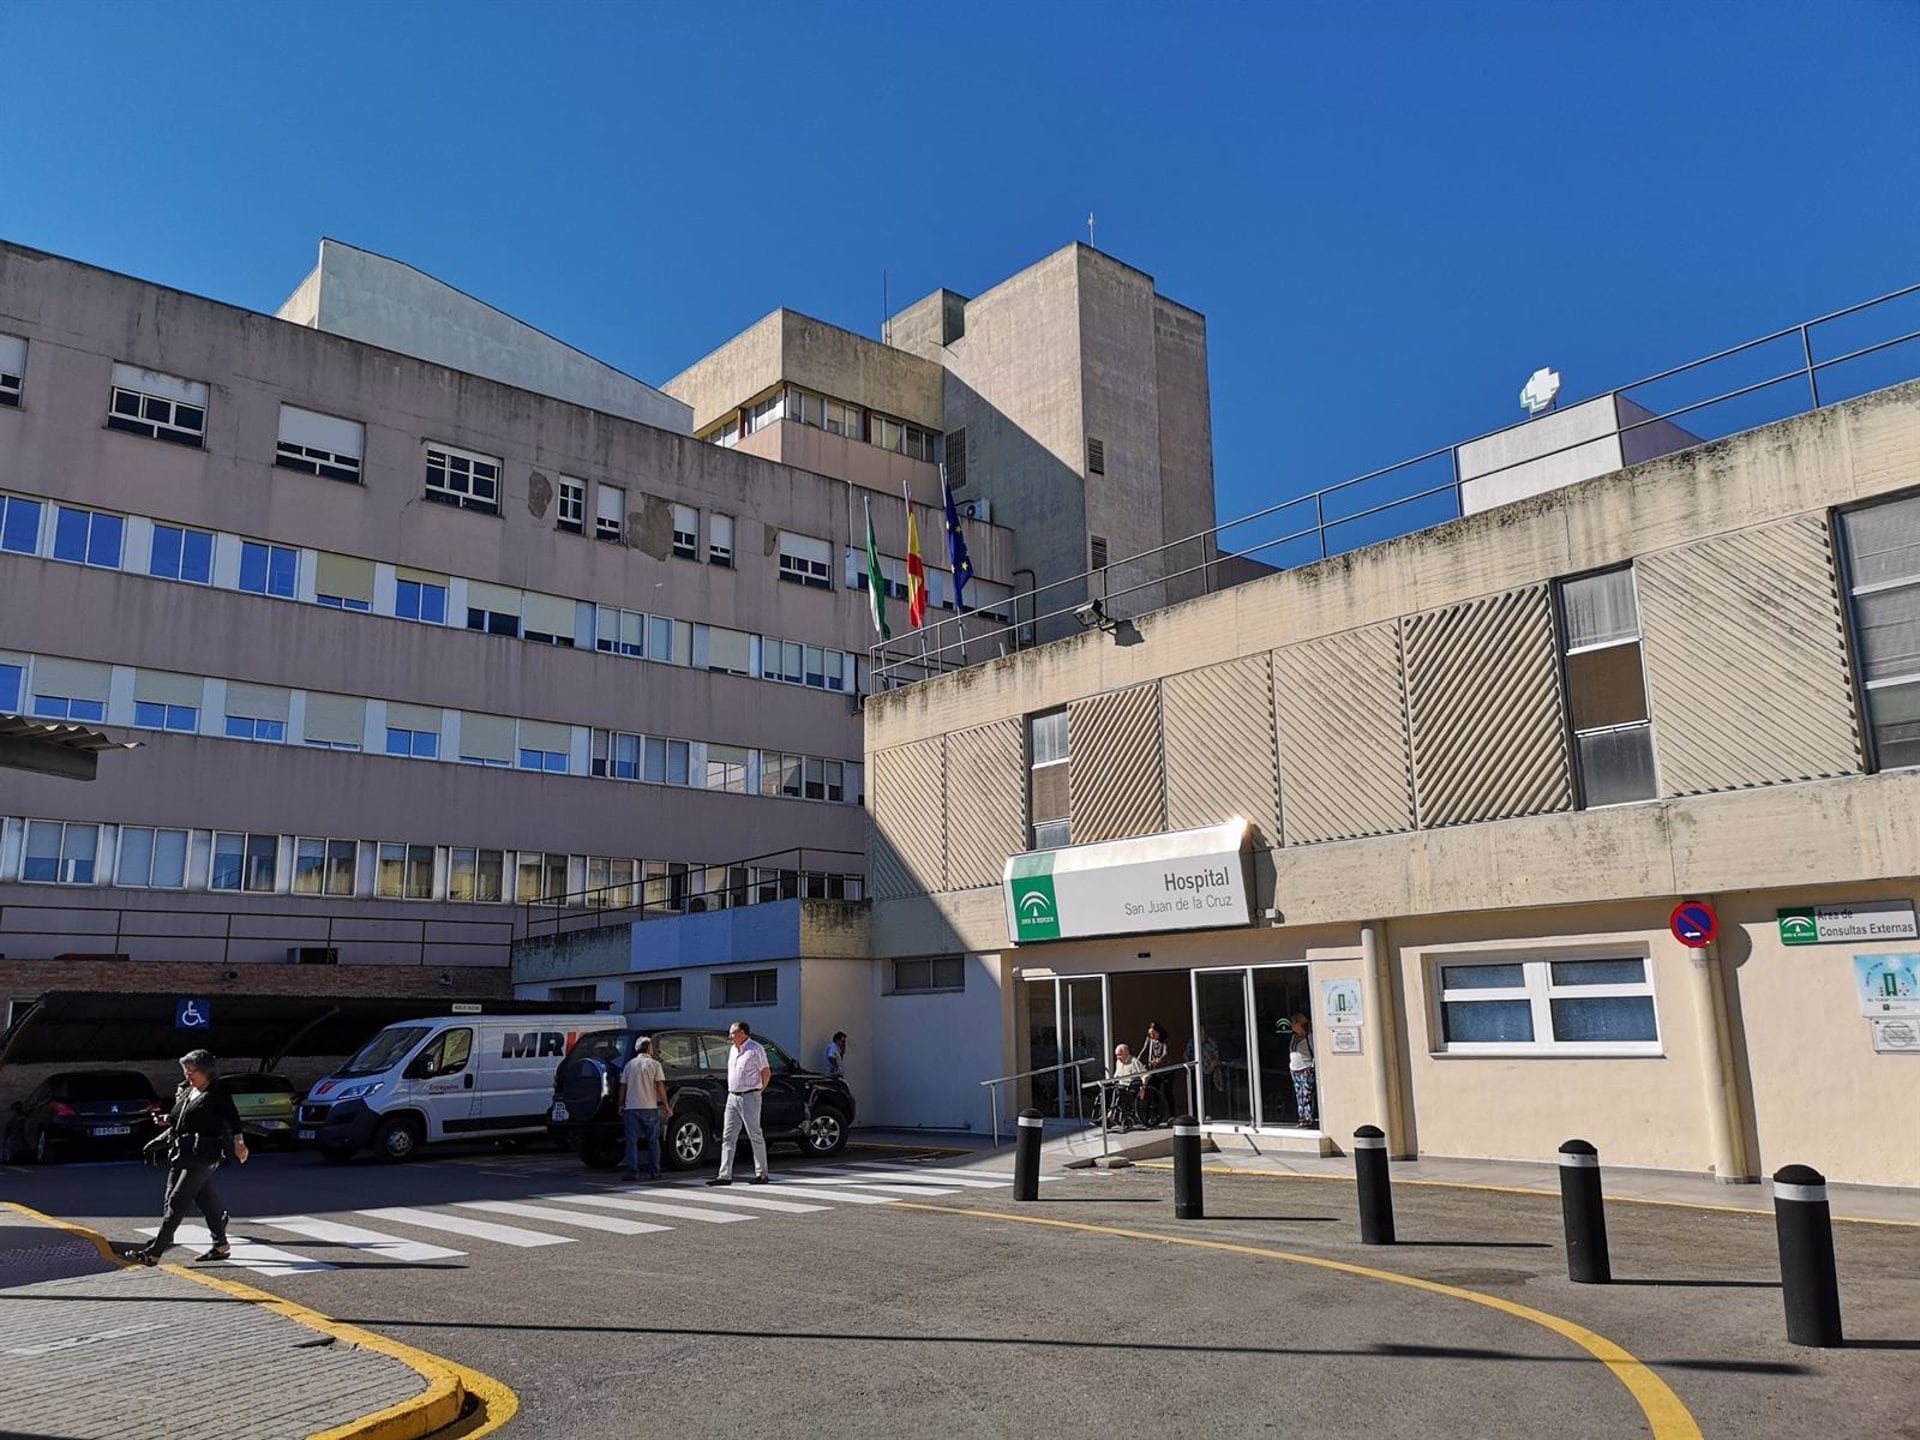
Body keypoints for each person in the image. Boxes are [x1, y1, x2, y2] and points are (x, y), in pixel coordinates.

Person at [126, 1049, 249, 1265]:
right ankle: (220, 1244)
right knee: (203, 1199)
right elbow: (181, 1120)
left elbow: (233, 1118)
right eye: (185, 1070)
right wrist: (165, 1123)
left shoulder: (217, 1094)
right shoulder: (188, 1091)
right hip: (183, 1152)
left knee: (177, 1200)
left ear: (206, 1072)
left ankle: (155, 1252)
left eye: (191, 1071)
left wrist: (239, 1143)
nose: (187, 1075)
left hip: (204, 1154)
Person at [707, 1020, 771, 1186]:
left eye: (733, 1033)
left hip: (750, 1095)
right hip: (732, 1096)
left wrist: (758, 1091)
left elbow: (766, 1072)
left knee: (754, 1134)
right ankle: (724, 1175)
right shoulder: (733, 1050)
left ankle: (762, 1174)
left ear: (743, 1033)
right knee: (728, 1136)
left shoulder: (755, 1049)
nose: (730, 1036)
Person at [619, 1035, 671, 1182]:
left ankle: (632, 1172)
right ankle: (655, 1171)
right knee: (653, 1141)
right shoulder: (655, 1065)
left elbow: (623, 1086)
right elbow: (660, 1086)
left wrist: (621, 1104)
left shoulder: (629, 1065)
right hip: (650, 1107)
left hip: (632, 1108)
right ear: (648, 1048)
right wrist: (666, 1105)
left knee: (631, 1141)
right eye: (652, 1047)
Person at [1139, 1021, 1172, 1125]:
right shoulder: (1150, 1040)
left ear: (1159, 1032)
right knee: (1154, 1093)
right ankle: (1156, 1116)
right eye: (1150, 1034)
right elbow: (1144, 1050)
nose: (1152, 1036)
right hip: (1155, 1070)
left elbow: (1165, 1054)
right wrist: (1137, 1060)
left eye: (1154, 1034)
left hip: (1166, 1070)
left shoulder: (1164, 1040)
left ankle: (1172, 1116)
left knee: (1168, 1093)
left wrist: (1159, 1060)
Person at [1288, 1013, 1317, 1128]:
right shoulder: (1294, 1037)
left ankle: (1308, 1118)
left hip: (1306, 1068)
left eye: (1294, 1023)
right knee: (1299, 1094)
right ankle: (1301, 1117)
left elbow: (1315, 1052)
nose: (1292, 1026)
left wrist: (1312, 1066)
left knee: (1306, 1094)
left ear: (1299, 1023)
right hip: (1294, 1069)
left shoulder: (1308, 1037)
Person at [1107, 1043, 1146, 1131]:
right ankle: (1109, 1114)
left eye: (1119, 1055)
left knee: (1119, 1092)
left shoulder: (1134, 1062)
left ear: (1126, 1053)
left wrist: (1143, 1087)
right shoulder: (1118, 1062)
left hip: (1131, 1086)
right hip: (1121, 1086)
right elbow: (1116, 1076)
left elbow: (1145, 1075)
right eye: (1116, 1055)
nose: (1117, 1057)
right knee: (1109, 1091)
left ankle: (1112, 1114)